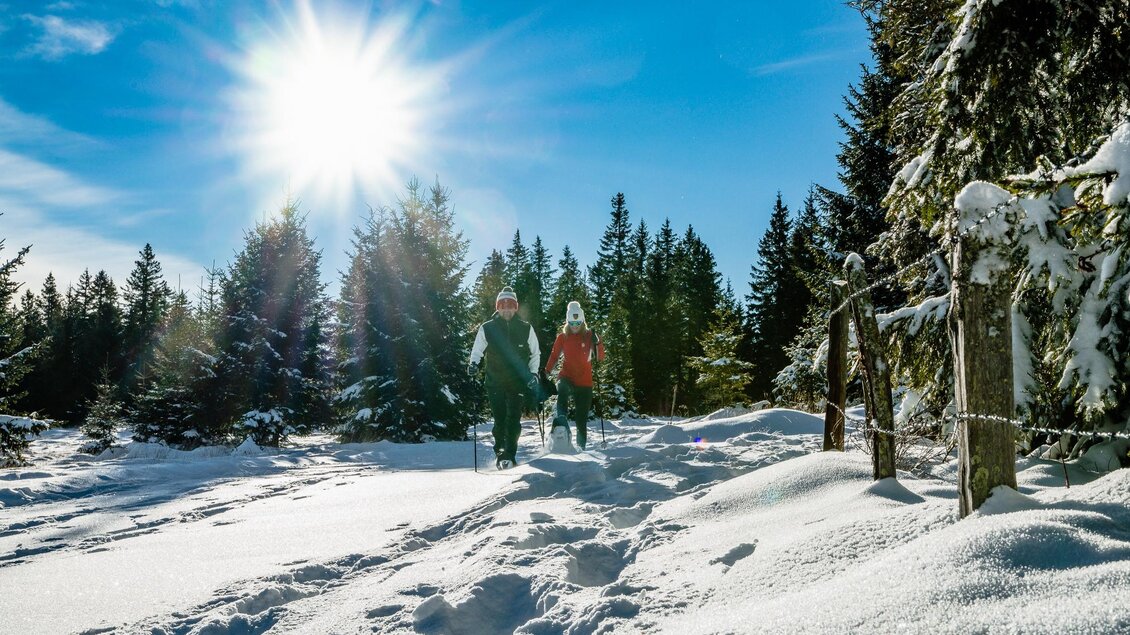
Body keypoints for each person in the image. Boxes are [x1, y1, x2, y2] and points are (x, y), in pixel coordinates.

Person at [469, 286, 541, 468]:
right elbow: (477, 349)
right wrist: (473, 364)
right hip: (494, 381)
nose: (506, 309)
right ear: (498, 307)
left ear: (515, 308)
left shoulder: (526, 328)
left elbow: (535, 353)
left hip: (517, 382)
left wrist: (533, 373)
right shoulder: (488, 328)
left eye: (510, 306)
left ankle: (509, 454)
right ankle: (500, 450)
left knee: (514, 419)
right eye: (503, 306)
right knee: (500, 418)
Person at [543, 301, 605, 450]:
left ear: (582, 321)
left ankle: (580, 447)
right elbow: (554, 356)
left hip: (584, 382)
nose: (575, 326)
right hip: (567, 376)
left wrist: (598, 343)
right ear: (567, 321)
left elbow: (600, 358)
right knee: (562, 388)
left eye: (578, 322)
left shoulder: (590, 335)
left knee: (581, 419)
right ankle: (561, 421)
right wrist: (545, 372)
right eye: (572, 322)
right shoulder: (562, 337)